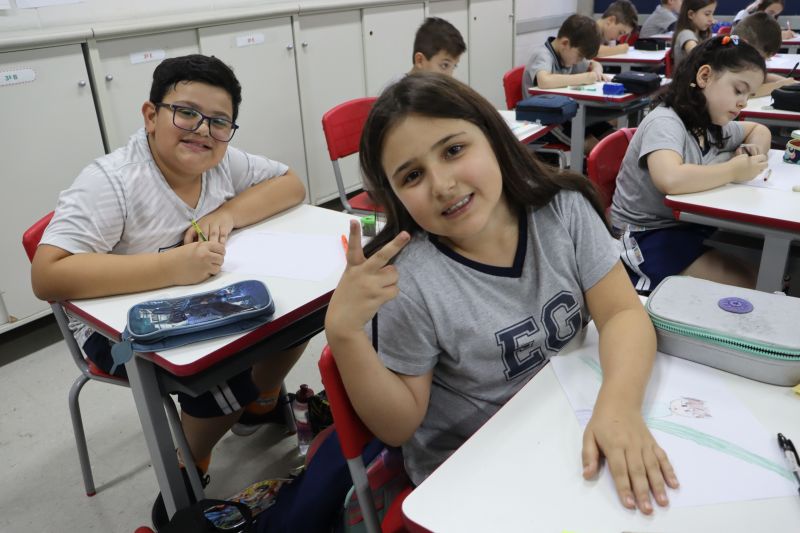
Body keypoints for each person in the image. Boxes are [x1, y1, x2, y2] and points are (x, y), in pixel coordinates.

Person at [325, 72, 679, 515]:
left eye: (453, 150)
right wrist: (344, 333)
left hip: (566, 420)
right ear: (393, 196)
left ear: (492, 136)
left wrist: (619, 406)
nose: (442, 184)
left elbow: (623, 314)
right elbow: (399, 427)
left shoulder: (563, 209)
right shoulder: (406, 282)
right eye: (413, 175)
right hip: (473, 469)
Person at [30, 54, 308, 528]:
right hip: (113, 331)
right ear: (150, 115)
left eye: (219, 122)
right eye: (186, 113)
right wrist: (169, 268)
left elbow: (291, 184)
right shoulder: (112, 182)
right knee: (218, 376)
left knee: (295, 316)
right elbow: (47, 275)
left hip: (196, 301)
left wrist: (226, 214)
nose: (202, 130)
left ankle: (259, 405)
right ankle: (190, 459)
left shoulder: (221, 162)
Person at [610, 36, 770, 293]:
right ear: (705, 77)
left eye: (749, 96)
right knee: (753, 284)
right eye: (738, 90)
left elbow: (759, 130)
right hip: (644, 237)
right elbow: (670, 178)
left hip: (685, 226)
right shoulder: (665, 121)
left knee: (764, 272)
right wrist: (734, 170)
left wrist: (751, 152)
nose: (743, 103)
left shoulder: (710, 123)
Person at [522, 14, 611, 154]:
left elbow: (594, 64)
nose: (580, 61)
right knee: (595, 147)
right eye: (580, 56)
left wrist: (597, 71)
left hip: (568, 115)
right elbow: (544, 81)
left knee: (610, 135)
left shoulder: (568, 54)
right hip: (547, 121)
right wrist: (585, 77)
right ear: (565, 43)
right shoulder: (543, 55)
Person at [383, 16, 466, 88]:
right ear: (420, 60)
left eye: (454, 66)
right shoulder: (397, 89)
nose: (450, 76)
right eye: (445, 65)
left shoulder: (436, 89)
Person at [733, 11, 799, 97]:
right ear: (745, 45)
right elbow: (745, 92)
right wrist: (779, 84)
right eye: (762, 58)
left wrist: (792, 83)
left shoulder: (745, 58)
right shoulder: (727, 62)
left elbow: (763, 77)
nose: (762, 62)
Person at [671, 0, 717, 67]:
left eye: (712, 14)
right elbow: (697, 56)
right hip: (688, 74)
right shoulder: (686, 34)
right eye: (707, 14)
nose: (711, 19)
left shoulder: (700, 33)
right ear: (691, 14)